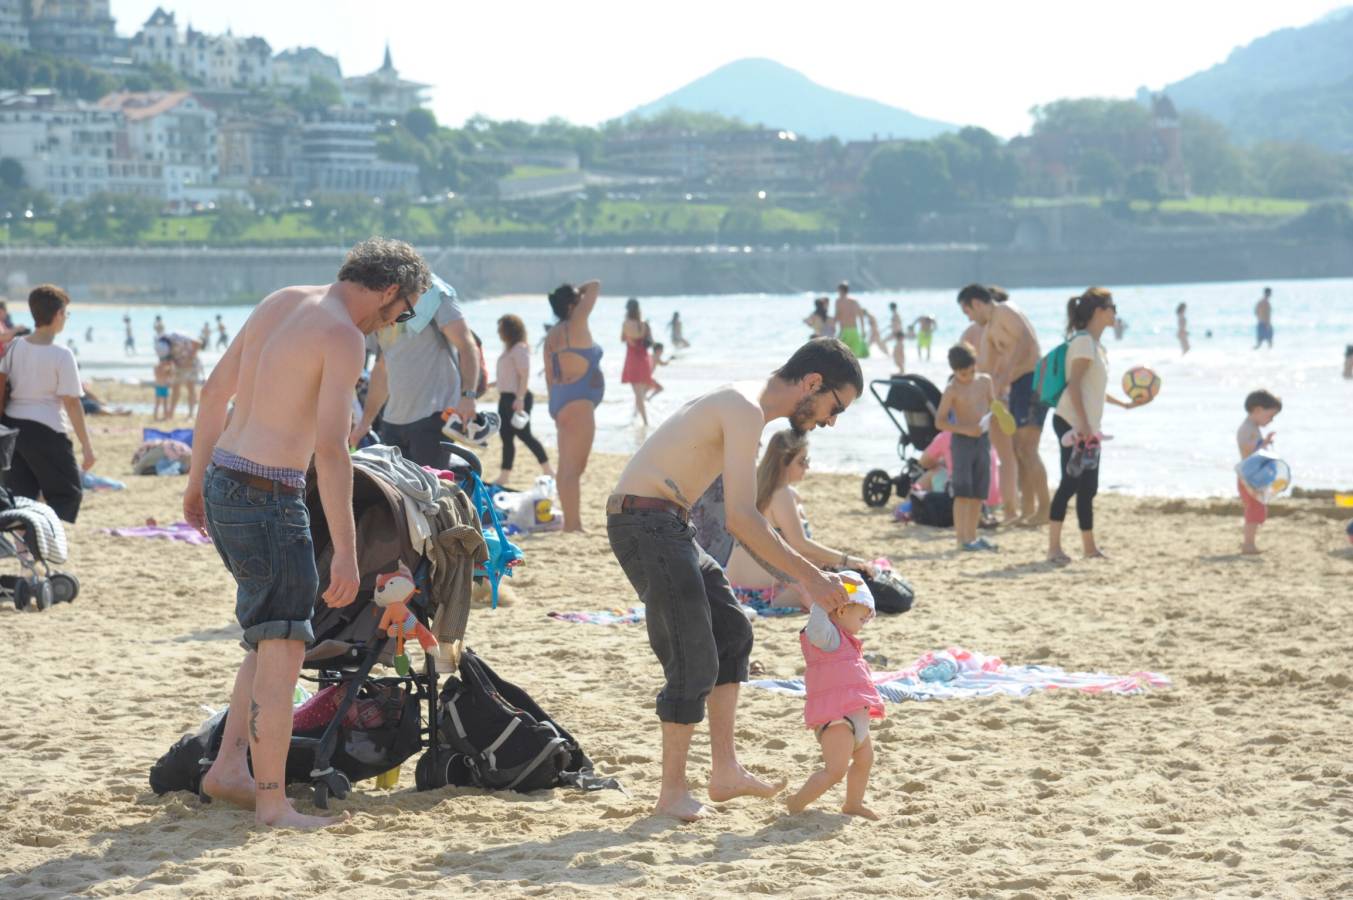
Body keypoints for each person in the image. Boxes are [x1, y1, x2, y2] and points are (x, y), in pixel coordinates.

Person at [184, 237, 431, 829]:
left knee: (267, 636)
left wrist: (195, 481)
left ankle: (228, 768)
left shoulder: (282, 299)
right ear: (391, 290)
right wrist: (347, 551)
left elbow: (216, 391)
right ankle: (272, 803)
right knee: (287, 646)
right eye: (405, 311)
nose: (397, 322)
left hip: (225, 478)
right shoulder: (343, 335)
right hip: (269, 494)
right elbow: (332, 451)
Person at [606, 336, 862, 820]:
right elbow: (742, 519)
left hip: (669, 523)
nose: (830, 420)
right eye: (836, 407)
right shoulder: (744, 407)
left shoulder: (747, 408)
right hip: (644, 521)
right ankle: (671, 795)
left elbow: (741, 516)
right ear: (812, 383)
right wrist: (812, 578)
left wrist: (808, 576)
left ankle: (724, 771)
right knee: (692, 651)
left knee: (732, 630)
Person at [725, 430, 879, 611]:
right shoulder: (781, 494)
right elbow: (800, 544)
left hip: (737, 590)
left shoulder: (760, 489)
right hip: (767, 594)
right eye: (802, 461)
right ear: (784, 462)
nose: (807, 467)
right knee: (852, 593)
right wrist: (846, 560)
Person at [1047, 288, 1145, 564]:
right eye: (1113, 307)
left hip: (1087, 424)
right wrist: (1085, 426)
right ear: (1099, 311)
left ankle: (1089, 548)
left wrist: (1124, 404)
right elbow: (1074, 385)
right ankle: (1053, 548)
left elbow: (1093, 389)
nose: (1115, 313)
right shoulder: (1082, 343)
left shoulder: (1097, 346)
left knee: (1089, 488)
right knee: (1069, 484)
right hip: (1070, 421)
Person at [350, 275, 479, 469]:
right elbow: (382, 367)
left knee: (429, 493)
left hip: (433, 415)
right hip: (392, 419)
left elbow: (467, 345)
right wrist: (365, 423)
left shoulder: (434, 293)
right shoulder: (378, 301)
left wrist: (468, 396)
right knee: (395, 495)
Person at [785, 573, 883, 819]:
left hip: (856, 718)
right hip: (837, 718)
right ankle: (796, 803)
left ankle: (853, 803)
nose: (864, 624)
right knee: (834, 771)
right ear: (841, 611)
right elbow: (815, 627)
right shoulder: (828, 638)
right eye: (862, 618)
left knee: (864, 760)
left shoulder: (848, 641)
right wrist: (823, 600)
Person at [0, 285, 96, 523]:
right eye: (66, 313)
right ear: (57, 315)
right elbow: (72, 403)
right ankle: (48, 538)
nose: (66, 318)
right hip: (46, 428)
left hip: (12, 429)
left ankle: (26, 549)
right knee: (67, 493)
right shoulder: (61, 355)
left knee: (22, 495)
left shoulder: (14, 347)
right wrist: (86, 445)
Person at [958, 284, 1050, 525]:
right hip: (1019, 384)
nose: (969, 317)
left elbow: (1026, 340)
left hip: (1033, 380)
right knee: (1019, 449)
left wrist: (1007, 372)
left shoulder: (1005, 311)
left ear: (977, 303)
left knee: (1028, 449)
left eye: (967, 311)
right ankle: (1027, 510)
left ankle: (1045, 509)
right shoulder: (989, 329)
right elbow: (988, 367)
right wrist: (989, 391)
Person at [544, 280, 604, 532]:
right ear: (571, 305)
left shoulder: (552, 335)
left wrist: (554, 408)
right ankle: (573, 524)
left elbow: (548, 375)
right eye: (577, 302)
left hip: (561, 399)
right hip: (579, 401)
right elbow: (595, 286)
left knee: (566, 467)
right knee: (574, 469)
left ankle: (571, 523)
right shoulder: (576, 323)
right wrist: (578, 293)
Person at [936, 342, 996, 551]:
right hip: (961, 442)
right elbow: (939, 421)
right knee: (962, 492)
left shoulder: (985, 381)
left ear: (975, 364)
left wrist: (998, 415)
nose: (967, 377)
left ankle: (973, 536)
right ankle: (962, 539)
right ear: (954, 371)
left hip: (983, 439)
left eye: (970, 371)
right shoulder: (952, 389)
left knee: (979, 492)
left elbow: (993, 406)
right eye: (962, 374)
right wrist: (965, 429)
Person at [492, 314, 552, 487]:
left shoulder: (519, 348)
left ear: (510, 330)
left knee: (525, 435)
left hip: (517, 398)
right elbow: (509, 375)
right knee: (506, 437)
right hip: (505, 397)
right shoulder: (509, 349)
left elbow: (524, 375)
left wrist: (520, 399)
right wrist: (491, 384)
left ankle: (548, 470)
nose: (498, 332)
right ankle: (504, 476)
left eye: (501, 328)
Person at [1237, 390, 1282, 555]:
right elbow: (1246, 448)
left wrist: (1264, 442)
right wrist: (1262, 445)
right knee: (1254, 508)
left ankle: (1249, 542)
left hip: (1253, 475)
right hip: (1249, 476)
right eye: (1270, 416)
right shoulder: (1246, 428)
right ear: (1257, 410)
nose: (1271, 420)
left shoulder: (1252, 427)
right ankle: (1248, 544)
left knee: (1256, 508)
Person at [620, 298, 654, 426]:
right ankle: (636, 415)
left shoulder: (626, 323)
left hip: (632, 359)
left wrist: (630, 337)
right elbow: (650, 341)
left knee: (638, 393)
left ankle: (645, 421)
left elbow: (622, 339)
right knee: (640, 392)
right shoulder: (644, 324)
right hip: (644, 359)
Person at [155, 332, 203, 419]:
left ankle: (190, 415)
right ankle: (170, 414)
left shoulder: (178, 337)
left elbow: (198, 343)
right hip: (178, 365)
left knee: (190, 387)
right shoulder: (159, 342)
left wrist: (190, 358)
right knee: (175, 388)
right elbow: (165, 361)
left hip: (191, 364)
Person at [833, 282, 868, 358]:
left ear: (840, 290)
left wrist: (832, 326)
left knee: (842, 355)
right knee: (855, 356)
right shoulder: (854, 301)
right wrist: (863, 329)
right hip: (854, 331)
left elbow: (837, 316)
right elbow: (861, 315)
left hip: (844, 331)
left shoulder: (838, 302)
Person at [888, 302, 905, 373]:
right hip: (898, 335)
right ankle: (901, 370)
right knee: (897, 353)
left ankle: (902, 370)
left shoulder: (896, 315)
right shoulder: (895, 315)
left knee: (898, 353)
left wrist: (896, 334)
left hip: (898, 335)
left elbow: (898, 325)